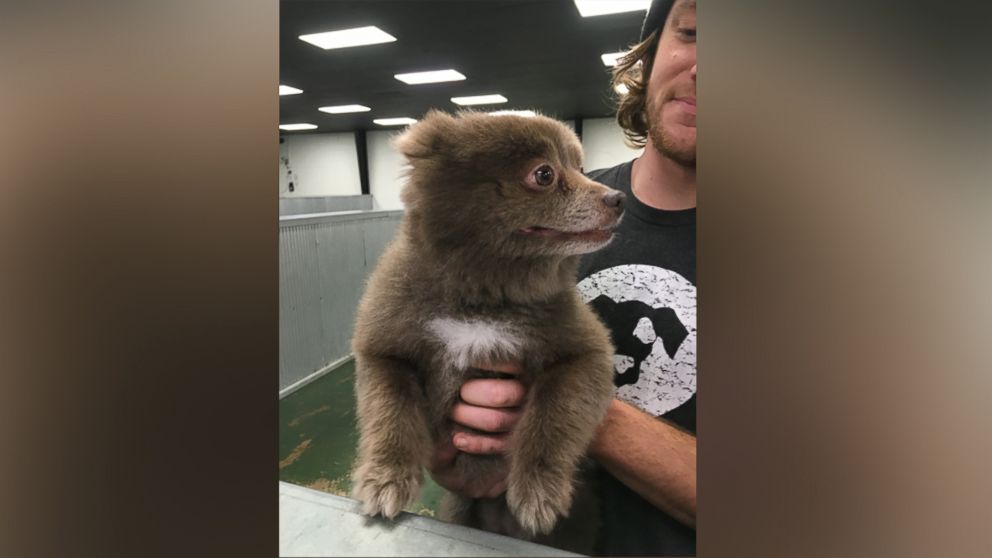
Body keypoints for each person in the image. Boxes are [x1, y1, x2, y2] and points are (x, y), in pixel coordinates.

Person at [429, 0, 697, 554]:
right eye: (693, 32)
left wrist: (569, 405)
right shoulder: (536, 215)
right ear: (648, 56)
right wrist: (462, 449)